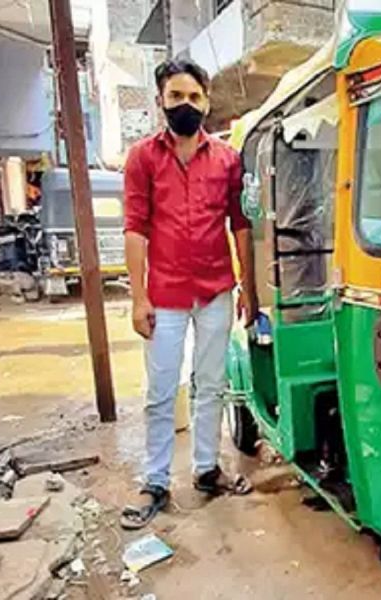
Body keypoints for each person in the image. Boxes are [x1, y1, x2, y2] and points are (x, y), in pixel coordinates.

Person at [120, 58, 259, 529]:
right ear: (161, 99)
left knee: (211, 385)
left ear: (207, 102)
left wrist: (250, 290)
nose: (186, 105)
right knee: (161, 392)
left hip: (217, 288)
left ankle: (206, 470)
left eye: (194, 97)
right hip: (165, 294)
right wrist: (138, 298)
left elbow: (240, 226)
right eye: (176, 96)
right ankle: (155, 481)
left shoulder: (227, 160)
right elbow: (135, 230)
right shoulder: (142, 157)